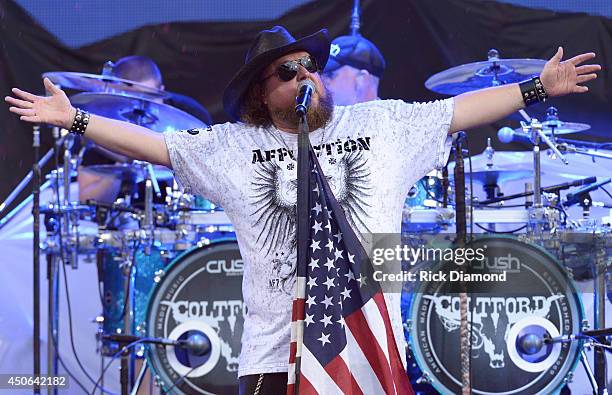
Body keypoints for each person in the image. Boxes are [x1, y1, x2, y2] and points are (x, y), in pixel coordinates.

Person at [5, 25, 600, 393]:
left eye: (309, 66)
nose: (304, 76)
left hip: (369, 343)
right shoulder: (233, 147)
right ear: (262, 92)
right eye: (287, 73)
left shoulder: (380, 123)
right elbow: (158, 147)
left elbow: (459, 112)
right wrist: (75, 120)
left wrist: (538, 87)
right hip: (273, 355)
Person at [78, 55, 212, 204]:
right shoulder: (102, 121)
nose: (141, 109)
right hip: (122, 222)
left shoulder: (190, 115)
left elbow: (210, 185)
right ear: (115, 95)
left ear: (161, 91)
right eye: (132, 100)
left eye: (149, 99)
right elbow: (87, 199)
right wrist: (123, 161)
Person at [321, 34, 385, 105]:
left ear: (362, 79)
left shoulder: (394, 115)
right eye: (320, 74)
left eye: (330, 75)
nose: (321, 80)